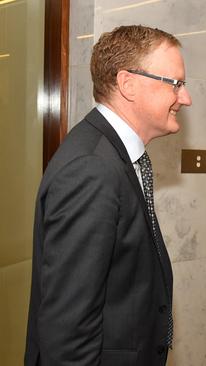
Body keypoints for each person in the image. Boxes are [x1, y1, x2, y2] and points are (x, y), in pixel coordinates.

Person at [25, 25, 191, 365]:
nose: (185, 98)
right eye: (176, 84)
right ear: (128, 84)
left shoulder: (111, 155)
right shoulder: (91, 169)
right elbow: (67, 332)